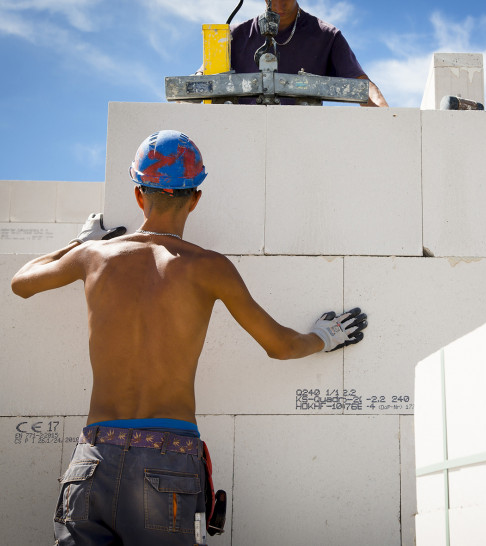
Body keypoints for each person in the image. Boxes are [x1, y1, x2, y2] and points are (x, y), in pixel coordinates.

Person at [10, 130, 367, 545]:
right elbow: (281, 346)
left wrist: (81, 242)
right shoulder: (209, 267)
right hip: (169, 459)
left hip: (96, 458)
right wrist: (324, 336)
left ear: (139, 195)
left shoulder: (93, 257)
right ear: (195, 198)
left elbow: (21, 283)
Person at [226, 0, 387, 107]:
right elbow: (202, 82)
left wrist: (390, 124)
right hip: (244, 143)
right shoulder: (233, 36)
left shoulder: (327, 36)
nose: (279, 5)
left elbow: (363, 88)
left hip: (305, 145)